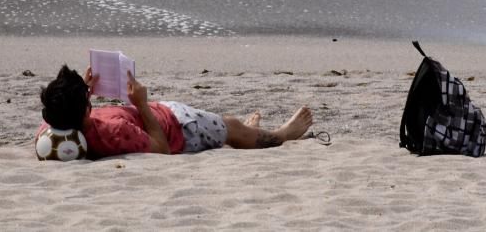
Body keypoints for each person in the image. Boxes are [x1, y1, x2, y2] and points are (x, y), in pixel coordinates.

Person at [38, 64, 313, 158]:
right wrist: (142, 105)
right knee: (229, 127)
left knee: (230, 125)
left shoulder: (53, 127)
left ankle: (246, 130)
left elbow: (69, 113)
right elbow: (161, 149)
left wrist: (84, 89)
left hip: (161, 115)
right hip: (178, 126)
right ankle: (281, 135)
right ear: (86, 111)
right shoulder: (115, 132)